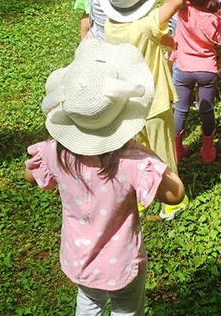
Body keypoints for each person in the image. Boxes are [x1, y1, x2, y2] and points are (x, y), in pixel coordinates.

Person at [25, 39, 185, 316]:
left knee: (88, 304)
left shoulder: (54, 153)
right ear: (122, 119)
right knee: (126, 309)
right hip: (121, 263)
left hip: (79, 259)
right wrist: (147, 152)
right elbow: (176, 193)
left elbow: (30, 175)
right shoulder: (133, 162)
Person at [100, 0, 186, 220]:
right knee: (163, 153)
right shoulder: (145, 24)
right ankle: (173, 201)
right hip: (155, 100)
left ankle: (141, 196)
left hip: (127, 103)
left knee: (138, 153)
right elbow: (175, 0)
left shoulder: (111, 26)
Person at [170, 0, 221, 164]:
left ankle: (177, 150)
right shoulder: (216, 19)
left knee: (181, 108)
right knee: (207, 109)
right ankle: (207, 150)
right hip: (207, 71)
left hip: (183, 68)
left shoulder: (182, 10)